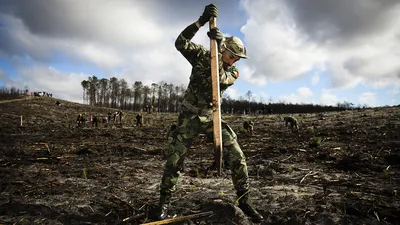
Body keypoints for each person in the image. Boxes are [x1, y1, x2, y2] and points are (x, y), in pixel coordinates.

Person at [156, 4, 263, 223]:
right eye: (232, 56)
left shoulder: (233, 71)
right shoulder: (201, 56)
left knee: (238, 157)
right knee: (174, 161)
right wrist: (200, 22)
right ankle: (164, 202)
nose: (234, 61)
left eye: (236, 58)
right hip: (188, 117)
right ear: (225, 49)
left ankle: (244, 200)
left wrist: (218, 52)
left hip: (212, 117)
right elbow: (180, 43)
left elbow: (221, 79)